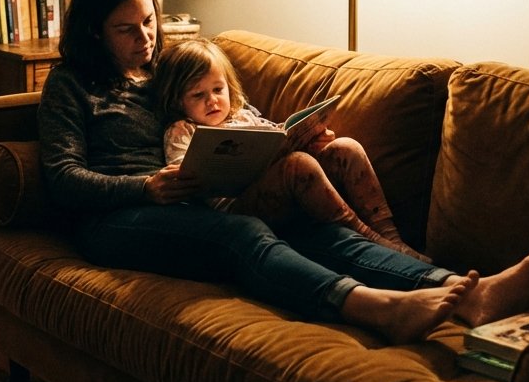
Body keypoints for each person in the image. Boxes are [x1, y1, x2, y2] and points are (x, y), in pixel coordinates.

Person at [38, 0, 529, 343]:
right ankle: (372, 307)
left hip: (198, 200)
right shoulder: (71, 83)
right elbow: (61, 177)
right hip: (119, 220)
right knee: (244, 232)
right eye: (127, 30)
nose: (146, 38)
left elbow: (226, 117)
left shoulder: (169, 70)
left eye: (150, 22)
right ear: (94, 30)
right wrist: (145, 187)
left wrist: (281, 145)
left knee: (315, 226)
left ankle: (466, 292)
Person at [154, 37, 428, 258]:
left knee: (346, 147)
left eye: (218, 89)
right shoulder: (182, 129)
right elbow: (183, 174)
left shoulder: (244, 116)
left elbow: (278, 139)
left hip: (284, 191)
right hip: (237, 210)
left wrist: (312, 140)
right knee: (298, 163)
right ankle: (369, 239)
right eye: (198, 95)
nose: (212, 101)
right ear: (177, 101)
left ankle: (392, 237)